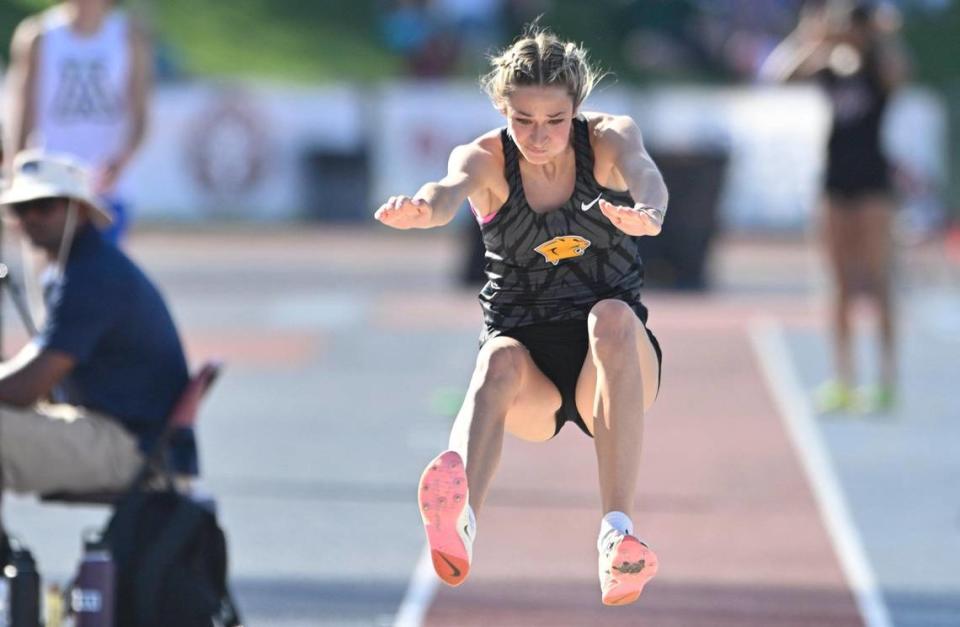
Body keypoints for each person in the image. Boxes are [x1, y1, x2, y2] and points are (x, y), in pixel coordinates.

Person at [375, 26, 668, 605]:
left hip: (611, 366)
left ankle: (617, 537)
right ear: (501, 109)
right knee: (499, 356)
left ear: (577, 109)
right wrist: (420, 209)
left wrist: (650, 210)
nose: (538, 136)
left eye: (554, 120)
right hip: (527, 371)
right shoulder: (485, 158)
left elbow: (646, 173)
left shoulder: (609, 139)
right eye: (522, 120)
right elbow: (447, 191)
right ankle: (459, 518)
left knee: (610, 316)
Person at [0, 151, 193, 555]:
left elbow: (26, 388)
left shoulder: (90, 276)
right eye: (22, 208)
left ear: (79, 210)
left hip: (127, 446)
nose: (31, 217)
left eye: (44, 205)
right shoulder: (85, 267)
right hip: (128, 436)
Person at [762, 2, 908, 413]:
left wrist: (881, 33)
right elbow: (778, 75)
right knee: (839, 284)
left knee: (879, 282)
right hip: (835, 182)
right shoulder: (828, 66)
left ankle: (886, 380)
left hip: (873, 184)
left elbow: (900, 73)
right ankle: (844, 380)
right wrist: (812, 36)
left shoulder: (878, 68)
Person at [4, 0, 152, 245]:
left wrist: (121, 161)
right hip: (51, 186)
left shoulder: (128, 35)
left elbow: (140, 115)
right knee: (53, 277)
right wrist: (17, 180)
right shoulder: (39, 35)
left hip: (107, 189)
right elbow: (22, 113)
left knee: (100, 273)